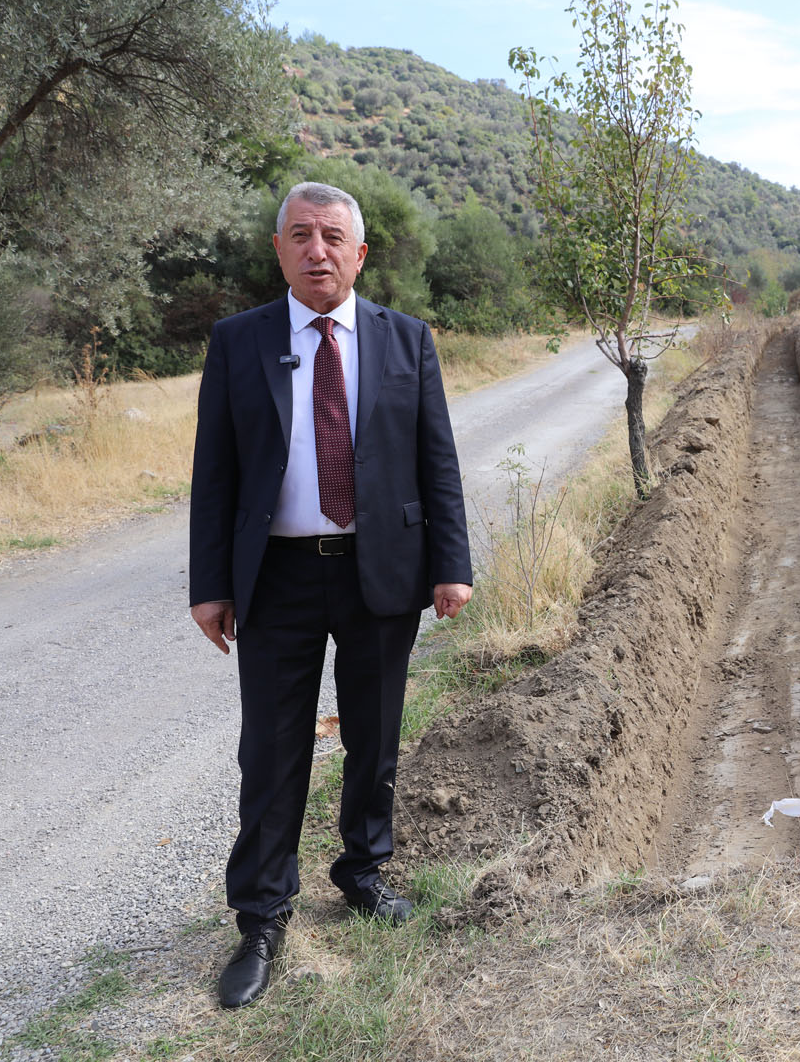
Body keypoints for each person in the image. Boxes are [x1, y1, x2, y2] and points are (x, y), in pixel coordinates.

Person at [188, 181, 472, 1009]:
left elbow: (438, 462)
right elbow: (215, 474)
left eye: (333, 236)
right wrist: (210, 585)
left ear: (359, 252)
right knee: (272, 750)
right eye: (301, 236)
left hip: (380, 568)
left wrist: (450, 563)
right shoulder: (238, 342)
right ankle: (262, 917)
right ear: (278, 249)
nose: (318, 251)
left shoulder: (405, 339)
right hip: (275, 576)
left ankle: (362, 872)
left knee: (375, 737)